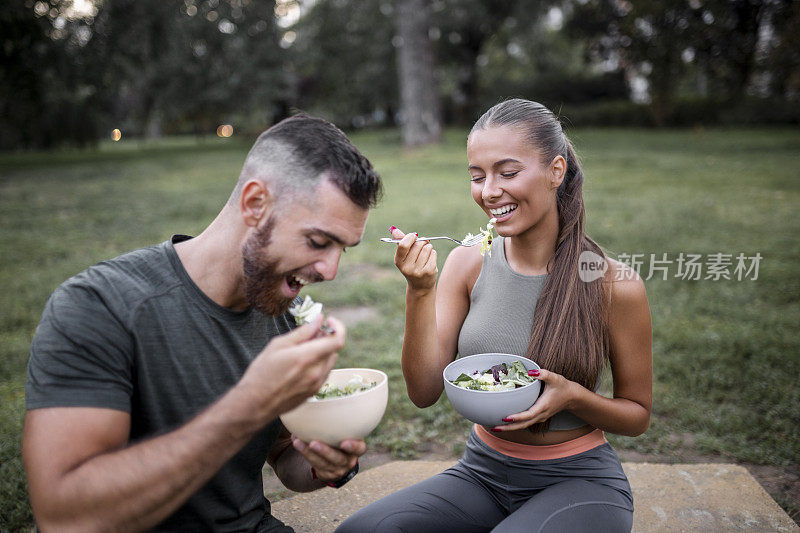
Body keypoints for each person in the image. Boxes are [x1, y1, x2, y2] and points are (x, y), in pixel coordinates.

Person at [23, 114, 383, 532]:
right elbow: (64, 517)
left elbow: (285, 458)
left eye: (343, 248)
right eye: (319, 242)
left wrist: (325, 462)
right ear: (254, 204)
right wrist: (247, 406)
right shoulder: (99, 307)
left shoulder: (284, 316)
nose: (331, 269)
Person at [336, 99, 652, 533]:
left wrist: (574, 397)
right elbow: (425, 391)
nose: (488, 191)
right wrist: (419, 291)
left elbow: (637, 415)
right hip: (482, 472)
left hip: (578, 481)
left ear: (556, 171)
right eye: (477, 176)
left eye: (507, 173)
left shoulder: (614, 284)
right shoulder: (467, 263)